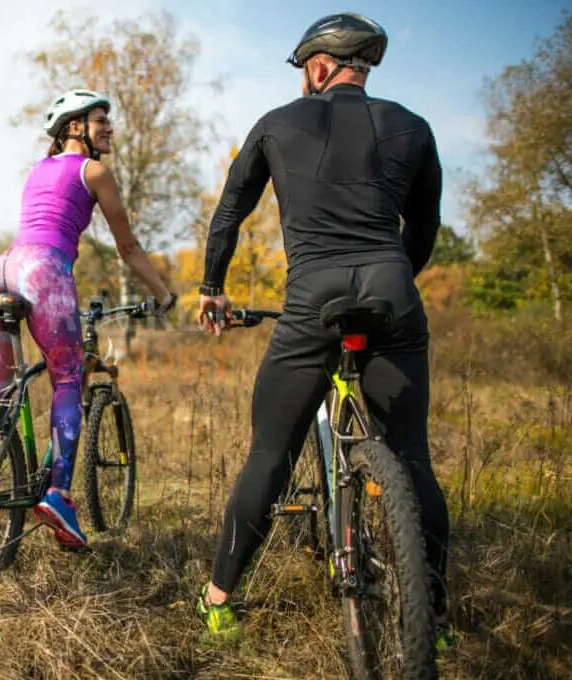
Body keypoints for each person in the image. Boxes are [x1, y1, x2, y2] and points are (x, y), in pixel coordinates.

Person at [194, 13, 454, 649]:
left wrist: (211, 287)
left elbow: (230, 211)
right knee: (412, 456)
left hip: (314, 294)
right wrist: (395, 280)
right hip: (392, 289)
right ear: (361, 69)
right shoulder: (413, 127)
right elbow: (424, 229)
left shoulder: (277, 122)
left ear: (317, 67)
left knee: (269, 455)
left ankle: (219, 599)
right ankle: (437, 621)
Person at [0, 89, 176, 553]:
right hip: (42, 270)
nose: (109, 128)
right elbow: (129, 249)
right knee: (67, 380)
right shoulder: (94, 170)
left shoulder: (39, 169)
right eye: (100, 120)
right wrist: (163, 293)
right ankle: (58, 494)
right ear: (74, 127)